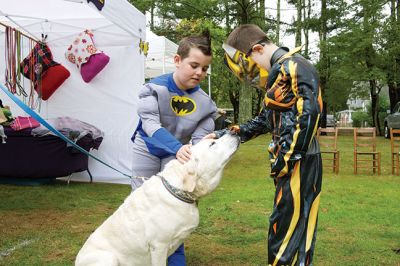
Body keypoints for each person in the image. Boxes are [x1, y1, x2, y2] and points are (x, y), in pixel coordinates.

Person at [207, 24, 323, 265]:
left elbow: (310, 112)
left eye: (249, 67)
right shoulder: (281, 72)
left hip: (299, 162)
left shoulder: (295, 66)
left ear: (258, 49)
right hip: (293, 161)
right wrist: (230, 134)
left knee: (288, 226)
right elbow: (266, 119)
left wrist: (289, 158)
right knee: (290, 223)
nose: (250, 76)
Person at [130, 31, 217, 266]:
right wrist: (178, 147)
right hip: (147, 148)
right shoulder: (151, 88)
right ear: (177, 60)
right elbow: (150, 124)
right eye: (194, 65)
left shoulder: (207, 104)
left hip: (177, 153)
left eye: (205, 68)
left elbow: (199, 138)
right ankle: (138, 254)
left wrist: (202, 144)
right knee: (141, 203)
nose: (200, 73)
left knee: (175, 204)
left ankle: (174, 256)